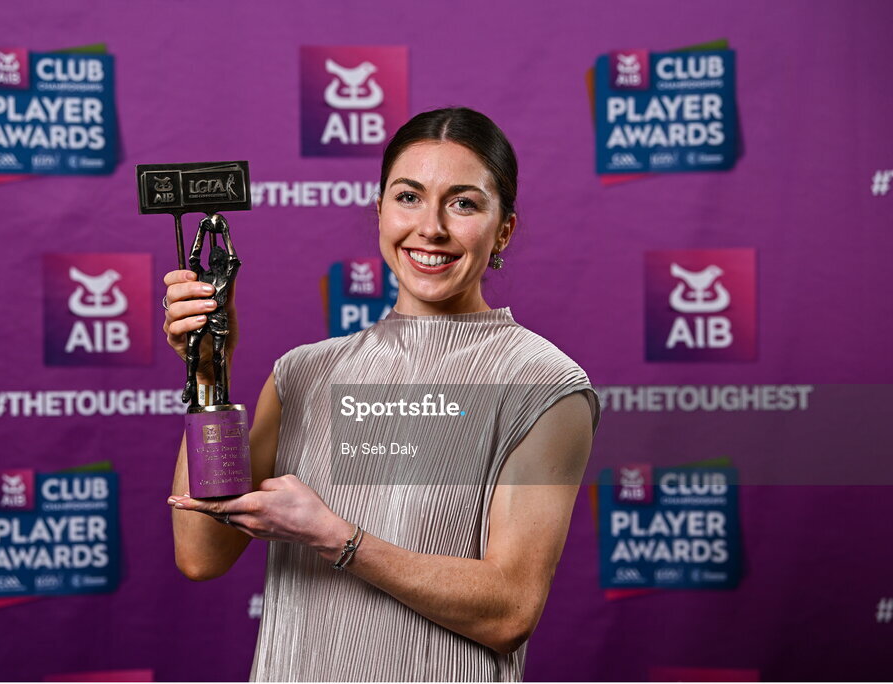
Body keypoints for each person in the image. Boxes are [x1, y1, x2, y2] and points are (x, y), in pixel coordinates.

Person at [162, 107, 600, 682]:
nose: (432, 228)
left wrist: (334, 536)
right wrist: (207, 375)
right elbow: (201, 555)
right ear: (380, 211)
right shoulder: (301, 374)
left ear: (505, 229)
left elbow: (510, 610)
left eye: (463, 203)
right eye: (409, 197)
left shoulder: (544, 385)